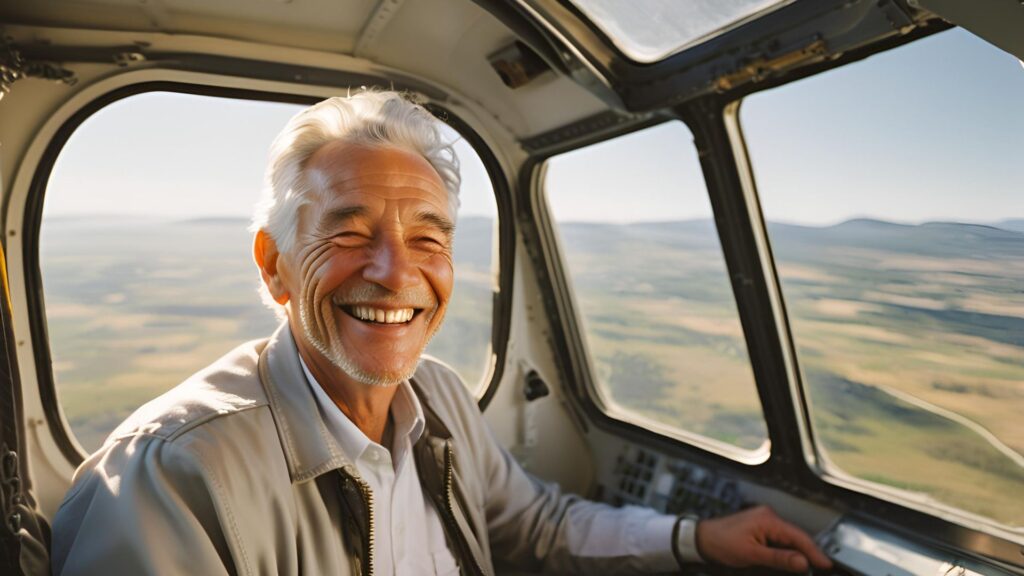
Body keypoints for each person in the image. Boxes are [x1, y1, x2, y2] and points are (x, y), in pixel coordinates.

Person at [50, 91, 833, 575]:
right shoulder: (174, 478)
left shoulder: (440, 398)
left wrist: (697, 540)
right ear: (274, 266)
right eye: (350, 231)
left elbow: (534, 525)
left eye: (429, 238)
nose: (396, 274)